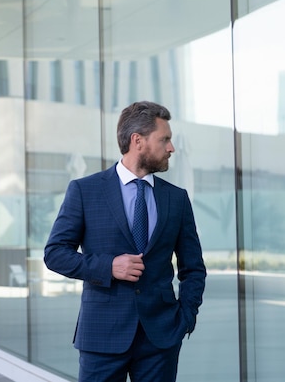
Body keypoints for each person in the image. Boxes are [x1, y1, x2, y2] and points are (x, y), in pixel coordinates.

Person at [44, 101, 206, 382]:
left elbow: (193, 268)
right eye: (164, 139)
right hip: (102, 336)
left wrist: (186, 317)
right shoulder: (85, 191)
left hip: (161, 338)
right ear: (137, 141)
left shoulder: (176, 198)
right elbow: (55, 253)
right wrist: (108, 267)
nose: (171, 148)